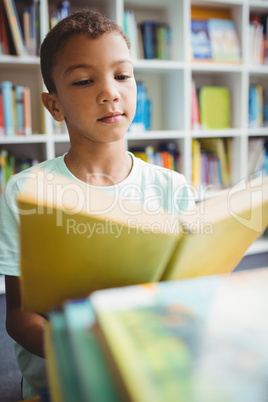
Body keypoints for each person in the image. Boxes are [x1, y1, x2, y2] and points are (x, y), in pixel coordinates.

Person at [0, 9, 195, 399]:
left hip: (145, 372)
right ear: (54, 106)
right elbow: (19, 316)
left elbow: (186, 295)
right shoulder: (27, 190)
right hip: (59, 381)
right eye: (85, 81)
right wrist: (84, 353)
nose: (110, 92)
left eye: (122, 75)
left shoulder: (172, 187)